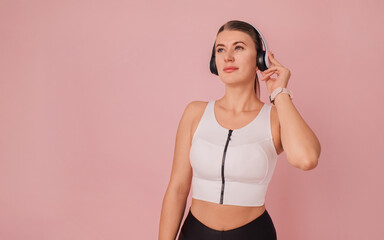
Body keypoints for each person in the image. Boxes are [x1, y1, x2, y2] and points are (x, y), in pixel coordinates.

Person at [158, 20, 321, 240]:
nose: (228, 57)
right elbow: (177, 189)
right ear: (214, 62)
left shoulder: (275, 117)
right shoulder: (194, 113)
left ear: (260, 59)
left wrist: (280, 93)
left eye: (239, 47)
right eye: (221, 49)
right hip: (196, 233)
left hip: (253, 233)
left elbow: (306, 159)